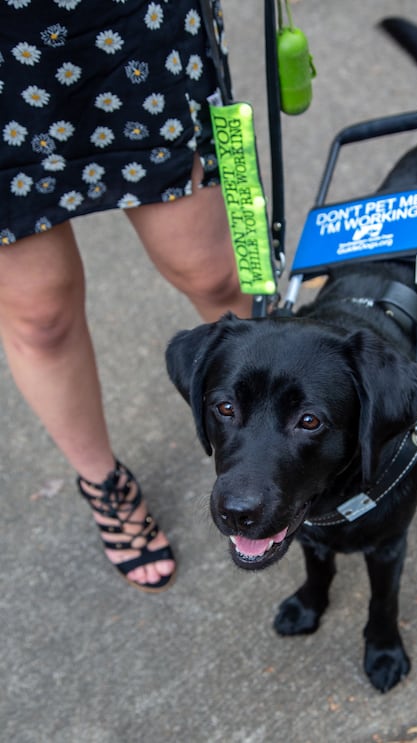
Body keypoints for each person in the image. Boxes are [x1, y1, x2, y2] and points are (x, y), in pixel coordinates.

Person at [0, 1, 252, 592]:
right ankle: (103, 484)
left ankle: (282, 431)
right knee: (40, 316)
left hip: (126, 20)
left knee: (216, 274)